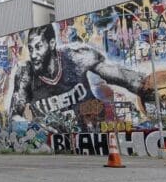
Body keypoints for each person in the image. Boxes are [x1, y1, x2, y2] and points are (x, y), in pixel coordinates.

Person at [10, 24, 145, 131]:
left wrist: (146, 87)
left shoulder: (76, 57)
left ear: (51, 44)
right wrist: (34, 127)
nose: (33, 55)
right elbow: (14, 116)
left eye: (38, 47)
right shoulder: (25, 73)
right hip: (55, 142)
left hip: (95, 130)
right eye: (31, 48)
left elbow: (120, 76)